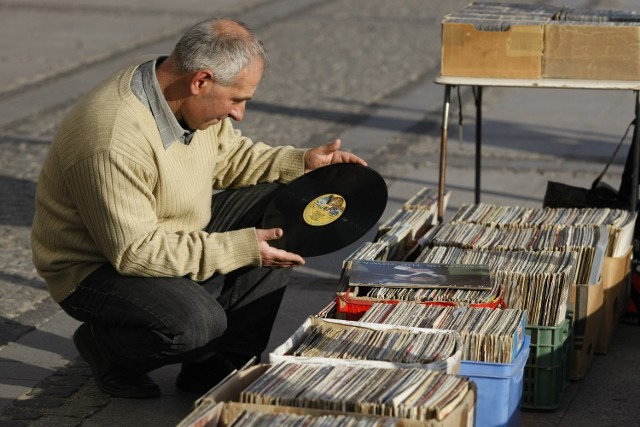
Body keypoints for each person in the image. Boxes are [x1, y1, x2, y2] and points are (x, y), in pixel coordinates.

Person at [31, 16, 367, 398]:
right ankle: (105, 348)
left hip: (167, 235)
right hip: (96, 267)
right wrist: (240, 248)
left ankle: (218, 368)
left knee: (284, 205)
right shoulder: (111, 137)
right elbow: (135, 253)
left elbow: (227, 157)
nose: (239, 113)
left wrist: (300, 163)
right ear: (201, 80)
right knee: (197, 325)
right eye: (236, 99)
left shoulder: (179, 94)